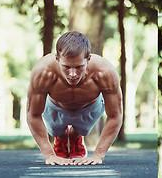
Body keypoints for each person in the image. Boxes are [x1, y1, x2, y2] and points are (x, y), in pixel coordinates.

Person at [26, 31, 123, 166]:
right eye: (66, 67)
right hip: (55, 107)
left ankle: (75, 136)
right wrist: (49, 155)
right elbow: (33, 114)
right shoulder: (43, 72)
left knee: (82, 130)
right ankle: (60, 137)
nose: (72, 74)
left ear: (88, 59)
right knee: (56, 131)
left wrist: (98, 155)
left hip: (90, 107)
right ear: (57, 58)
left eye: (79, 67)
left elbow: (115, 115)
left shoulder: (104, 72)